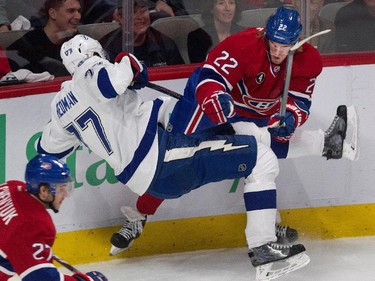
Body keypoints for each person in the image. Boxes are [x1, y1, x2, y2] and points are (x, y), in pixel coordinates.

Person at [36, 34, 310, 279]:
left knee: (227, 131)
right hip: (164, 159)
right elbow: (112, 81)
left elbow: (46, 150)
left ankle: (323, 144)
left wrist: (135, 75)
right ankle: (262, 247)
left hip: (148, 171)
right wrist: (127, 63)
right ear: (94, 55)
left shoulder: (60, 106)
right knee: (262, 159)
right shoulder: (91, 69)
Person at [123, 6, 359, 259]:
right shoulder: (244, 44)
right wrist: (214, 96)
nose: (278, 51)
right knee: (175, 159)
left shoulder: (308, 61)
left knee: (260, 159)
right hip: (208, 105)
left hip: (251, 114)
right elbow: (210, 77)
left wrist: (290, 118)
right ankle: (139, 216)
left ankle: (269, 227)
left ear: (297, 42)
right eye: (273, 43)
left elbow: (300, 103)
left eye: (285, 46)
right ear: (265, 35)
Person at [0, 154, 108, 281]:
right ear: (44, 190)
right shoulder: (34, 225)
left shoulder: (11, 187)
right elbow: (42, 278)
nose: (66, 194)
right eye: (61, 188)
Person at [6, 0, 81, 77]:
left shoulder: (80, 42)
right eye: (71, 11)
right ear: (53, 13)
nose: (78, 17)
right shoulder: (28, 44)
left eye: (79, 11)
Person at [99, 0, 184, 66]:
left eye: (143, 10)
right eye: (132, 12)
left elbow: (180, 79)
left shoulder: (165, 44)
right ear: (120, 18)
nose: (139, 17)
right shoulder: (105, 48)